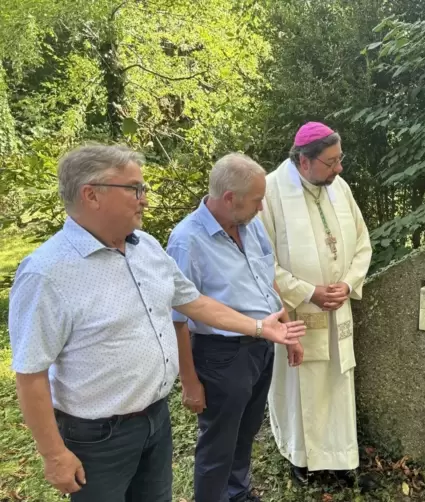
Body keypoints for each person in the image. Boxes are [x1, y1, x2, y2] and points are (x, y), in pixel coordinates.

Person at [8, 144, 305, 502]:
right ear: (91, 195)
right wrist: (54, 454)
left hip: (156, 420)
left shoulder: (144, 247)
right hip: (99, 437)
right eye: (135, 189)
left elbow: (195, 302)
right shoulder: (47, 274)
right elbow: (30, 374)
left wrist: (260, 328)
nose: (144, 199)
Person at [167, 153, 302, 502]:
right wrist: (190, 381)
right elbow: (177, 317)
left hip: (262, 346)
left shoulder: (251, 226)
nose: (261, 209)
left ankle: (238, 493)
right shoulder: (187, 240)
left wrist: (286, 332)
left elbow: (266, 281)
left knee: (246, 432)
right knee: (218, 442)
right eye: (257, 200)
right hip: (221, 356)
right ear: (230, 198)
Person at [259, 122, 373, 487]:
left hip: (336, 307)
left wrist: (346, 283)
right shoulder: (271, 192)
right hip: (297, 312)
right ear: (304, 162)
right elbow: (263, 261)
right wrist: (308, 292)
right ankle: (301, 457)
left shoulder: (339, 187)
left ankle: (340, 458)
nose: (339, 168)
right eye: (331, 162)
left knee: (338, 382)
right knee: (301, 385)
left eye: (340, 159)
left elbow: (362, 243)